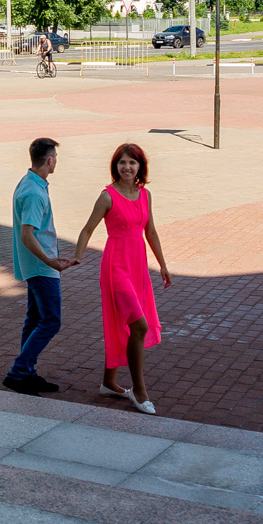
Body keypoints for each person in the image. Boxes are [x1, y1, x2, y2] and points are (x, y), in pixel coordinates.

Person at [71, 143, 171, 413]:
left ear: (141, 167)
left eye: (132, 163)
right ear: (115, 166)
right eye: (122, 162)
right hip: (115, 267)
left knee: (123, 325)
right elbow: (87, 229)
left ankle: (108, 383)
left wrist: (162, 264)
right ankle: (139, 391)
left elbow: (150, 231)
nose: (127, 167)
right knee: (139, 326)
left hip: (138, 266)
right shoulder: (108, 196)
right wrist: (78, 256)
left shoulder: (145, 194)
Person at [4, 137, 78, 395]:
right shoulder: (34, 192)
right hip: (41, 267)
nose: (56, 161)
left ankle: (27, 373)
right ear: (49, 160)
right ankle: (18, 372)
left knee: (34, 318)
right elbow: (27, 234)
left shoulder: (29, 182)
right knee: (51, 321)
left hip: (34, 266)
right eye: (55, 157)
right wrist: (50, 261)